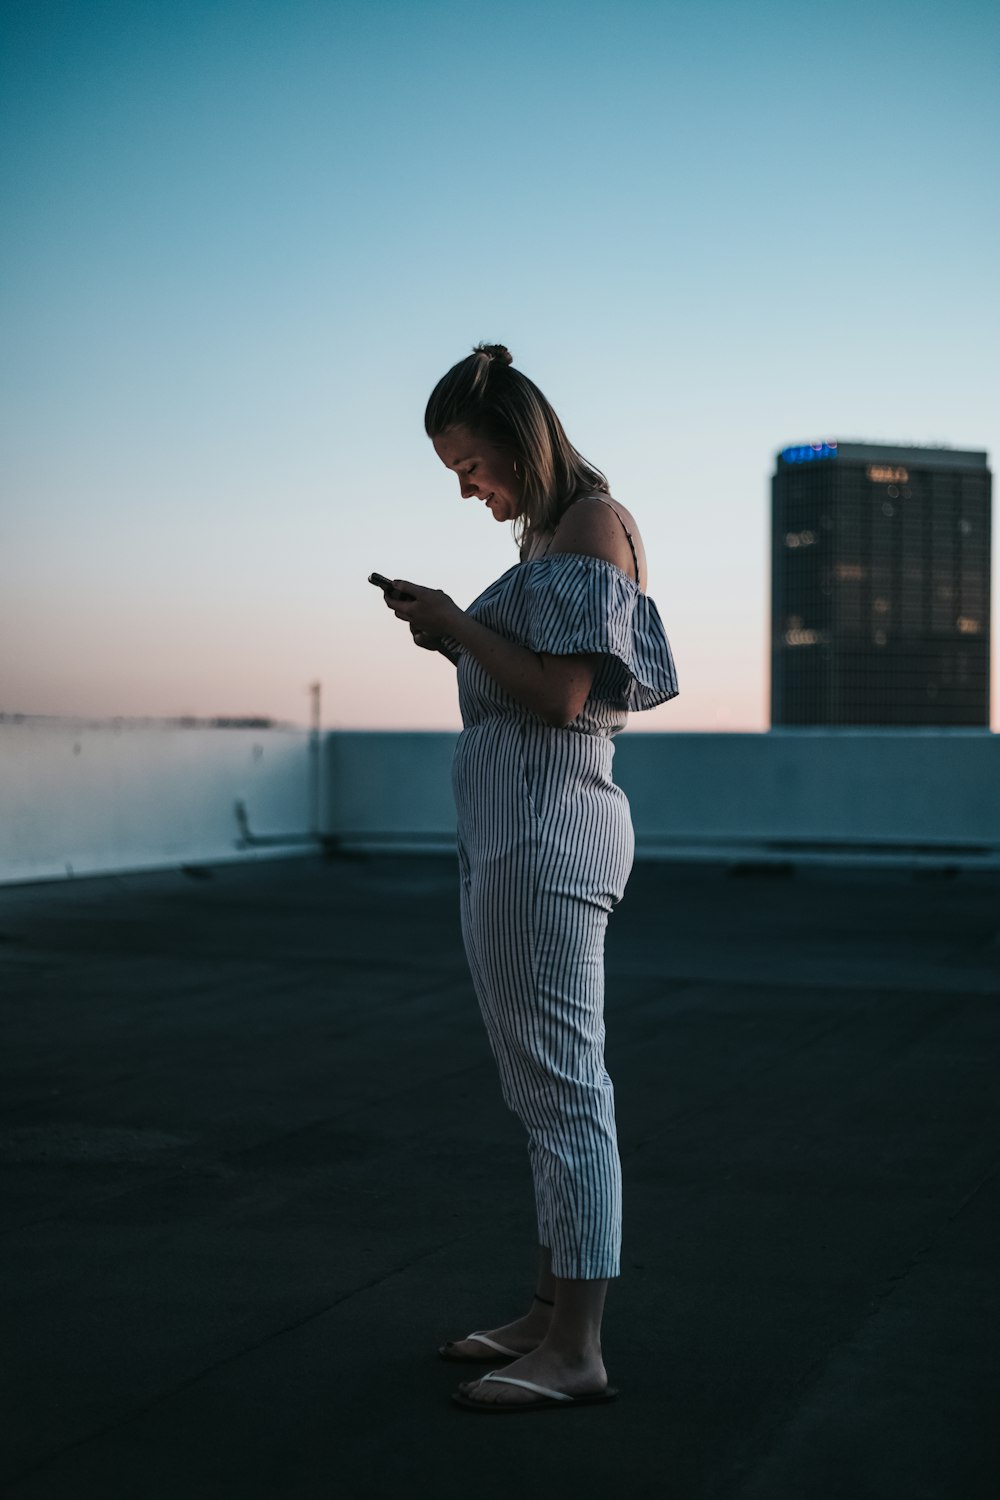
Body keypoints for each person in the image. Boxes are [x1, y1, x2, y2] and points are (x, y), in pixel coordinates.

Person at [380, 343, 678, 1414]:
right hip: (517, 836)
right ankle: (550, 1314)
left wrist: (459, 622)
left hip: (547, 837)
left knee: (565, 1092)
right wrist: (452, 640)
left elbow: (561, 696)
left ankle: (579, 1348)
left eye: (468, 462)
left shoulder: (591, 524)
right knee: (540, 1087)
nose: (465, 486)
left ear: (518, 437)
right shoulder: (553, 539)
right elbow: (534, 681)